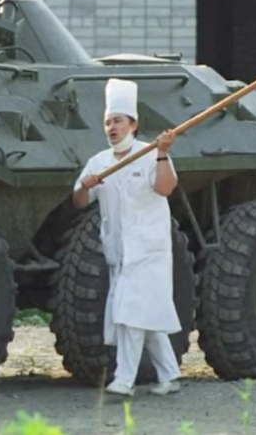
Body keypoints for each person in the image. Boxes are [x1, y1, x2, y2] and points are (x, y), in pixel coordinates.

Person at [72, 78, 183, 398]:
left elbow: (166, 188)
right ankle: (169, 374)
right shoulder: (99, 162)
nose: (112, 127)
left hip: (149, 250)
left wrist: (163, 153)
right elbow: (78, 201)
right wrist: (86, 186)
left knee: (130, 311)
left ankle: (124, 378)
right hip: (118, 251)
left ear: (133, 125)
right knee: (142, 312)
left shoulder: (149, 154)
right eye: (107, 122)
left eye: (118, 121)